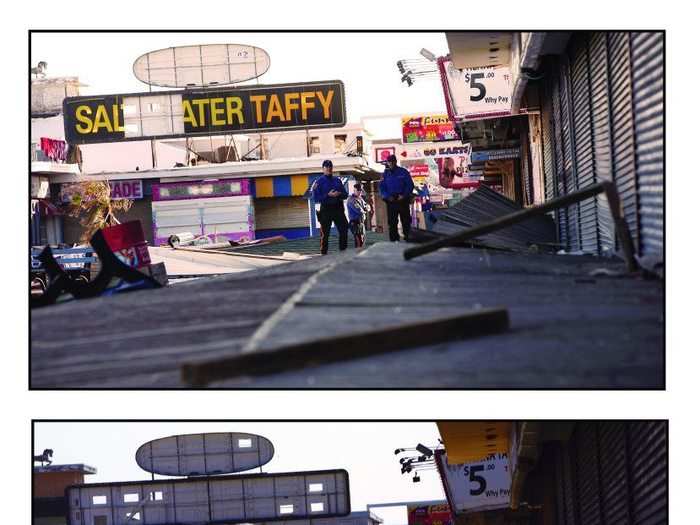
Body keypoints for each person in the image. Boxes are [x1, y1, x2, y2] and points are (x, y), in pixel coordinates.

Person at [312, 160, 349, 255]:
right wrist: (328, 195)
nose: (328, 169)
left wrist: (339, 194)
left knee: (344, 230)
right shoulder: (319, 182)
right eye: (326, 167)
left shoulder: (337, 180)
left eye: (330, 167)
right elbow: (316, 198)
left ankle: (343, 252)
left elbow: (345, 194)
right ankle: (323, 254)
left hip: (338, 208)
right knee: (325, 234)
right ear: (323, 169)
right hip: (326, 210)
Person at [379, 154, 415, 242]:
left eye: (392, 162)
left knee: (406, 221)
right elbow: (381, 188)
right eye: (389, 162)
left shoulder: (403, 172)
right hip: (391, 201)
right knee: (392, 223)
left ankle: (408, 239)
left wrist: (403, 195)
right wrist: (387, 196)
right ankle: (394, 241)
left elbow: (410, 185)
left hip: (402, 200)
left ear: (395, 162)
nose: (390, 164)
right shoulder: (385, 175)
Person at [347, 182, 370, 248]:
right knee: (359, 242)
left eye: (360, 190)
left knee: (362, 241)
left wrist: (365, 209)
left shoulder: (360, 199)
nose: (360, 192)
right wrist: (364, 209)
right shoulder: (351, 200)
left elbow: (368, 207)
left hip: (361, 223)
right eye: (358, 190)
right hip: (355, 223)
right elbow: (359, 211)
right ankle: (357, 256)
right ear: (354, 190)